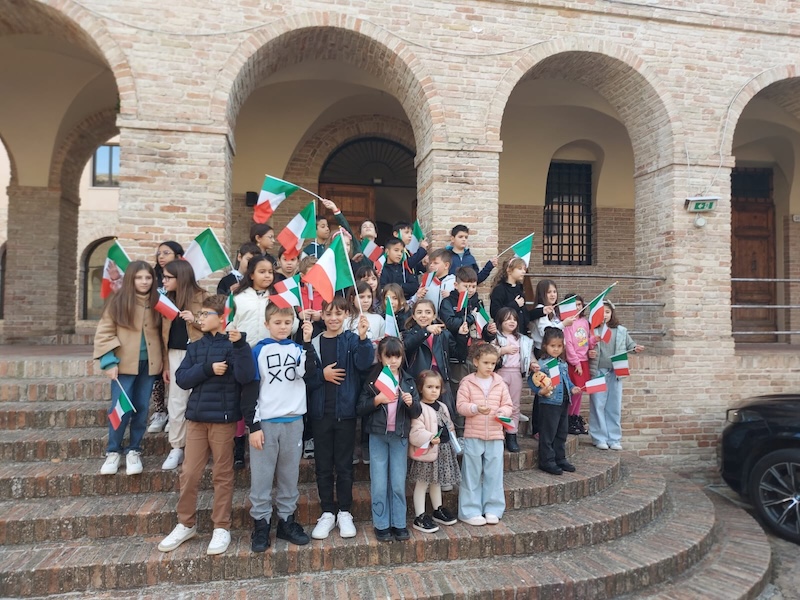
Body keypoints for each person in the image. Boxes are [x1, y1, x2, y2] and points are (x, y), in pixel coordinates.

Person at [157, 295, 255, 556]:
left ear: (221, 317)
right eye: (198, 315)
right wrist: (209, 369)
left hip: (223, 420)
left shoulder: (234, 344)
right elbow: (182, 379)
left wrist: (242, 346)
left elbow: (246, 376)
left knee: (222, 475)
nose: (199, 319)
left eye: (204, 314)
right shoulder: (196, 346)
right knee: (189, 473)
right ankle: (185, 523)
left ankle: (221, 526)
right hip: (197, 419)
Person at [244, 304, 321, 551]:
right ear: (267, 324)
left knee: (289, 476)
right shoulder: (258, 351)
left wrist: (307, 342)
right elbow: (250, 389)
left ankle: (287, 521)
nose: (282, 327)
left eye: (287, 323)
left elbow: (308, 374)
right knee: (262, 478)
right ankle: (261, 524)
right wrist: (253, 425)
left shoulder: (299, 349)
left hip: (293, 422)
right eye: (277, 322)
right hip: (266, 423)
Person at [308, 296, 374, 540]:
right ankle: (327, 512)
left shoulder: (352, 340)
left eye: (339, 313)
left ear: (346, 315)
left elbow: (364, 363)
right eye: (329, 313)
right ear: (322, 316)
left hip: (345, 413)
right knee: (323, 466)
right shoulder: (314, 342)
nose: (334, 318)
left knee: (345, 466)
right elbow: (306, 378)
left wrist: (365, 338)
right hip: (320, 413)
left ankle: (345, 511)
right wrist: (321, 376)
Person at [94, 261, 164, 476]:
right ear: (131, 279)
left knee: (142, 409)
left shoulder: (158, 302)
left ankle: (134, 449)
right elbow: (105, 332)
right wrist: (109, 362)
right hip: (123, 364)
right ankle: (113, 451)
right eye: (139, 277)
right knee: (120, 409)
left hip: (148, 365)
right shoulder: (118, 301)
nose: (144, 281)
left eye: (148, 277)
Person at [357, 336, 421, 542]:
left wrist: (411, 403)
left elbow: (417, 411)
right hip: (378, 436)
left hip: (399, 437)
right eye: (388, 356)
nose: (393, 361)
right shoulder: (373, 380)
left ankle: (399, 523)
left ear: (402, 357)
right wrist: (377, 399)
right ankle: (382, 524)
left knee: (397, 482)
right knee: (379, 482)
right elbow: (361, 407)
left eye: (397, 356)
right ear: (381, 357)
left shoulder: (408, 381)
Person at [232, 255, 290, 469]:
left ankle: (267, 439)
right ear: (251, 274)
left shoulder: (279, 297)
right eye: (262, 271)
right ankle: (239, 446)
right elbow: (230, 323)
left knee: (264, 397)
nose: (267, 275)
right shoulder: (238, 298)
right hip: (245, 354)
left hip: (272, 355)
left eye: (270, 272)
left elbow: (290, 325)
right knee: (244, 398)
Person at [456, 343, 512, 526]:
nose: (489, 367)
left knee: (494, 474)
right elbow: (461, 406)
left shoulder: (500, 383)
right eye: (486, 362)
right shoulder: (467, 382)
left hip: (496, 434)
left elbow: (508, 405)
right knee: (471, 473)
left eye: (493, 363)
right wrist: (475, 408)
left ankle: (493, 508)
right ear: (476, 362)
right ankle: (469, 510)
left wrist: (503, 412)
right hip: (474, 434)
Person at [160, 260, 208, 471]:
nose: (164, 281)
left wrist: (195, 319)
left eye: (168, 277)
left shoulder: (202, 296)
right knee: (177, 402)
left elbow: (218, 324)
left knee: (199, 401)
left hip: (199, 353)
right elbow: (159, 334)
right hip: (175, 355)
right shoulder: (164, 300)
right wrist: (165, 364)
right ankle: (177, 447)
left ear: (181, 277)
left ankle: (199, 447)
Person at [440, 266, 497, 437]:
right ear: (456, 285)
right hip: (458, 355)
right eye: (466, 286)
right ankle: (459, 432)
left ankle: (476, 431)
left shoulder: (477, 303)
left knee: (477, 394)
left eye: (473, 286)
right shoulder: (448, 302)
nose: (470, 290)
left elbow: (484, 330)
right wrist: (470, 316)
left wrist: (490, 331)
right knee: (460, 393)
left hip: (477, 356)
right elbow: (451, 323)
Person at [408, 370, 460, 533]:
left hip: (443, 450)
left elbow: (449, 424)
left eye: (437, 387)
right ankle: (420, 515)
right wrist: (430, 437)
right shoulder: (419, 408)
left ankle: (438, 509)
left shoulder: (443, 406)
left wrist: (453, 437)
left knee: (436, 481)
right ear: (421, 388)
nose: (433, 391)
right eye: (429, 387)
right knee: (422, 484)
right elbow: (415, 433)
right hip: (426, 452)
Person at [402, 298, 467, 430]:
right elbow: (407, 346)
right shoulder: (409, 334)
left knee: (446, 416)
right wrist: (426, 331)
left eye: (427, 312)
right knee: (422, 418)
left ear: (434, 315)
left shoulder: (444, 334)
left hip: (441, 379)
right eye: (419, 312)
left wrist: (462, 336)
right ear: (413, 316)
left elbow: (460, 355)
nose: (423, 315)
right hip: (419, 381)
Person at [588, 300, 644, 451]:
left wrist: (635, 348)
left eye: (607, 312)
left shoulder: (621, 330)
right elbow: (583, 347)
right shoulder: (592, 330)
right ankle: (599, 437)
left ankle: (614, 438)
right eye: (602, 312)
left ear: (612, 313)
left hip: (615, 373)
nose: (605, 315)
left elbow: (630, 345)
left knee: (614, 406)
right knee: (597, 405)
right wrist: (589, 352)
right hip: (598, 372)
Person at [529, 327, 581, 475]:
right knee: (548, 433)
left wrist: (572, 388)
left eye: (559, 346)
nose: (556, 349)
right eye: (553, 346)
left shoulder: (562, 363)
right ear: (545, 345)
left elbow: (567, 381)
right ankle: (547, 461)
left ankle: (560, 458)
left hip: (563, 402)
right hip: (549, 403)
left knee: (561, 432)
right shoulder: (542, 364)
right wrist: (540, 391)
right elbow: (532, 380)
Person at [148, 240, 184, 434]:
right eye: (159, 253)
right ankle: (160, 411)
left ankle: (174, 413)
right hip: (153, 330)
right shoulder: (152, 278)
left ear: (178, 257)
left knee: (174, 376)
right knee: (157, 372)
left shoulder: (183, 279)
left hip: (172, 331)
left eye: (166, 253)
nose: (161, 256)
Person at [529, 278, 571, 436]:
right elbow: (546, 332)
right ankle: (538, 428)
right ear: (542, 294)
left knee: (551, 387)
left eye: (554, 291)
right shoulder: (542, 309)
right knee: (542, 388)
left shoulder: (552, 310)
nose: (553, 294)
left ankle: (548, 427)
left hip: (552, 352)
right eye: (549, 292)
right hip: (543, 352)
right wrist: (563, 324)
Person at [493, 307, 536, 452]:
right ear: (500, 321)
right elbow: (488, 353)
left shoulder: (523, 339)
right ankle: (497, 434)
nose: (511, 322)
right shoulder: (496, 337)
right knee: (498, 404)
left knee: (514, 406)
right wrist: (502, 350)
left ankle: (512, 435)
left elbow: (529, 356)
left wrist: (533, 364)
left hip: (516, 373)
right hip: (500, 373)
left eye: (514, 319)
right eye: (507, 319)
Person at [489, 256, 546, 335]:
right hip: (506, 335)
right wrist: (515, 304)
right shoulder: (500, 289)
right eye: (520, 269)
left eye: (524, 269)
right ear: (509, 270)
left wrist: (542, 311)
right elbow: (495, 313)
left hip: (521, 333)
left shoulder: (519, 289)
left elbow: (526, 314)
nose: (523, 272)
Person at [563, 295, 594, 435]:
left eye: (579, 304)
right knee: (574, 392)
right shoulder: (568, 323)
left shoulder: (585, 322)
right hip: (575, 362)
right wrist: (576, 362)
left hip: (584, 360)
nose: (577, 307)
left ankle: (575, 417)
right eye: (574, 304)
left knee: (580, 392)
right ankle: (568, 419)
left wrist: (593, 341)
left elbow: (587, 340)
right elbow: (568, 344)